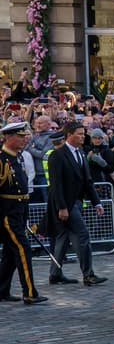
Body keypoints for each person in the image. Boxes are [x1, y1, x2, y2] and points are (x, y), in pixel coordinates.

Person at [46, 122, 108, 287]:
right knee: (82, 235)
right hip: (65, 204)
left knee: (63, 238)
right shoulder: (57, 155)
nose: (83, 136)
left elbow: (87, 182)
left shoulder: (80, 153)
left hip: (77, 202)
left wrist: (97, 203)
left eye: (83, 133)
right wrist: (62, 207)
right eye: (79, 133)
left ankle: (55, 274)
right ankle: (89, 274)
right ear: (69, 135)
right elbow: (56, 184)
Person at [0, 121, 43, 304]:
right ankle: (30, 292)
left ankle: (2, 290)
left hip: (18, 211)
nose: (24, 139)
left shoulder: (17, 157)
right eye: (20, 136)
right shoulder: (2, 160)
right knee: (22, 249)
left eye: (25, 136)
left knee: (11, 253)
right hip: (7, 213)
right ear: (8, 137)